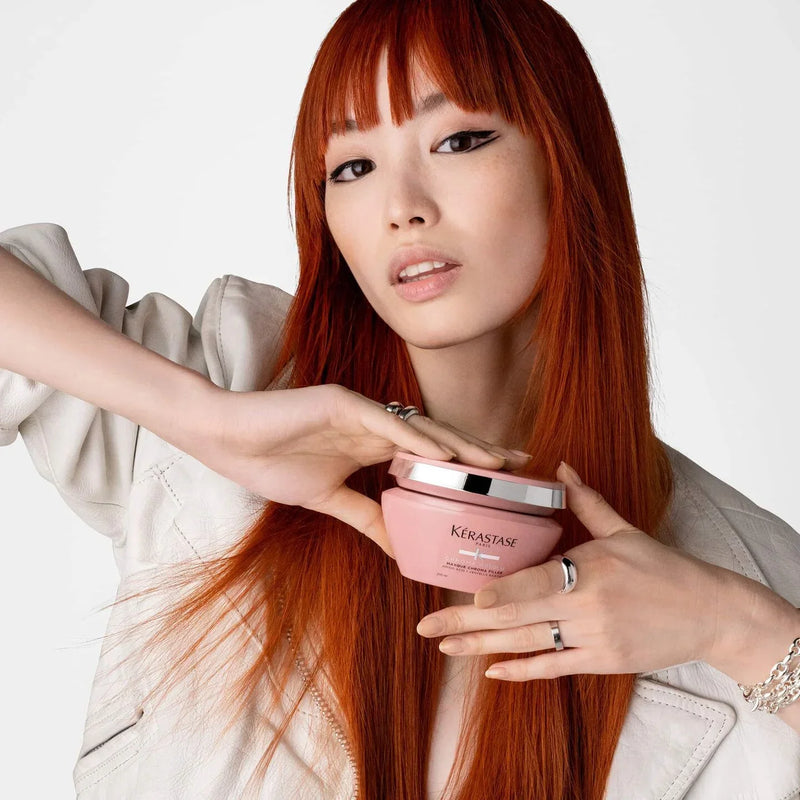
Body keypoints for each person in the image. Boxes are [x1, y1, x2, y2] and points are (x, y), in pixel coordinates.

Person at [1, 0, 799, 797]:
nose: (400, 205)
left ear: (565, 164)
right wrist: (213, 423)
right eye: (352, 166)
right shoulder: (214, 384)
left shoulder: (736, 575)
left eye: (458, 140)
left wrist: (741, 631)